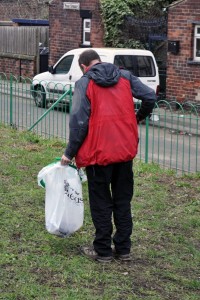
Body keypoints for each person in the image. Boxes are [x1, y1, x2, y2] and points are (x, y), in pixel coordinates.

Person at [61, 49, 156, 263]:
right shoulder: (124, 76)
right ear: (98, 60)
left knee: (101, 202)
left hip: (98, 154)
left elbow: (79, 123)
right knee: (122, 200)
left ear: (84, 66)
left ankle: (103, 250)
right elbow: (150, 96)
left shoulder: (84, 83)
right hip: (124, 151)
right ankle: (123, 249)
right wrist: (138, 117)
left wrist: (69, 153)